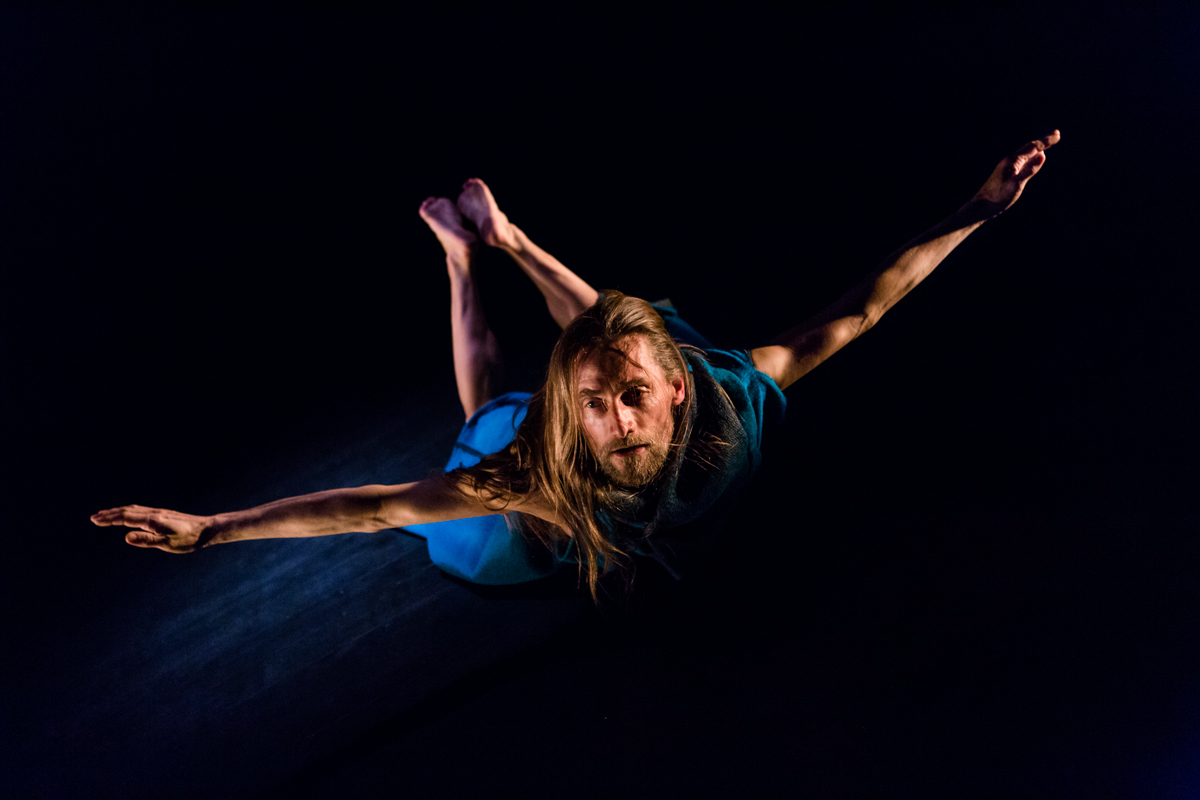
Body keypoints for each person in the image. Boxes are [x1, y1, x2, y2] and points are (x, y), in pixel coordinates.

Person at [92, 131, 1062, 600]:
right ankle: (470, 254)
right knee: (484, 416)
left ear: (680, 390)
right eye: (595, 403)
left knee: (607, 330)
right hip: (532, 501)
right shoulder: (539, 469)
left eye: (634, 395)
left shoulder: (733, 388)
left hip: (645, 444)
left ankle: (502, 241)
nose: (620, 416)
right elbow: (375, 506)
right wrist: (212, 529)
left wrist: (981, 205)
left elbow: (865, 306)